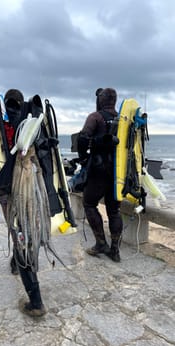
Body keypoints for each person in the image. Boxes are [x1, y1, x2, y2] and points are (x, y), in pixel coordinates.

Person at [0, 89, 47, 317]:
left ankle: (36, 302)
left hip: (11, 191)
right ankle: (18, 263)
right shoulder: (34, 124)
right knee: (26, 230)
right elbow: (46, 158)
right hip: (33, 189)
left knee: (20, 236)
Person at [77, 88, 123, 262]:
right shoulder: (122, 119)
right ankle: (115, 250)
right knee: (114, 210)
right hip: (116, 171)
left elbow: (82, 139)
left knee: (89, 204)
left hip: (98, 169)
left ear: (101, 100)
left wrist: (82, 159)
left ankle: (101, 243)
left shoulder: (95, 117)